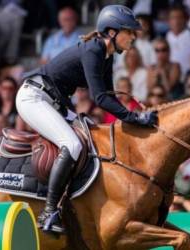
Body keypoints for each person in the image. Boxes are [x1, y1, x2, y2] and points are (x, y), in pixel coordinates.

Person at [16, 5, 158, 234]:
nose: (133, 37)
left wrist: (136, 116)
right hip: (33, 97)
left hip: (54, 101)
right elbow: (100, 99)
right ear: (112, 32)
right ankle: (49, 212)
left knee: (93, 133)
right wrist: (135, 117)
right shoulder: (93, 50)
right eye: (129, 32)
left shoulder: (107, 55)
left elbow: (110, 96)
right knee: (71, 144)